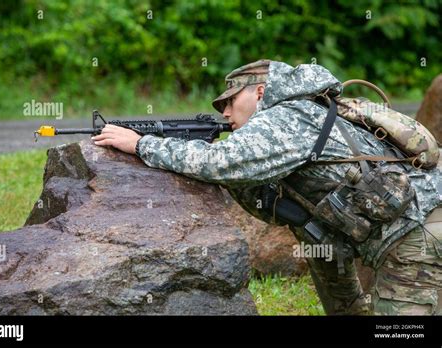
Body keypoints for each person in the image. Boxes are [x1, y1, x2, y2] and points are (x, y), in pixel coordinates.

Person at [92, 59, 442, 315]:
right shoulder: (302, 121)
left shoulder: (286, 117)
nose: (225, 112)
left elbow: (220, 164)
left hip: (418, 234)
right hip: (413, 232)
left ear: (260, 91)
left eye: (230, 101)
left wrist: (141, 144)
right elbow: (312, 228)